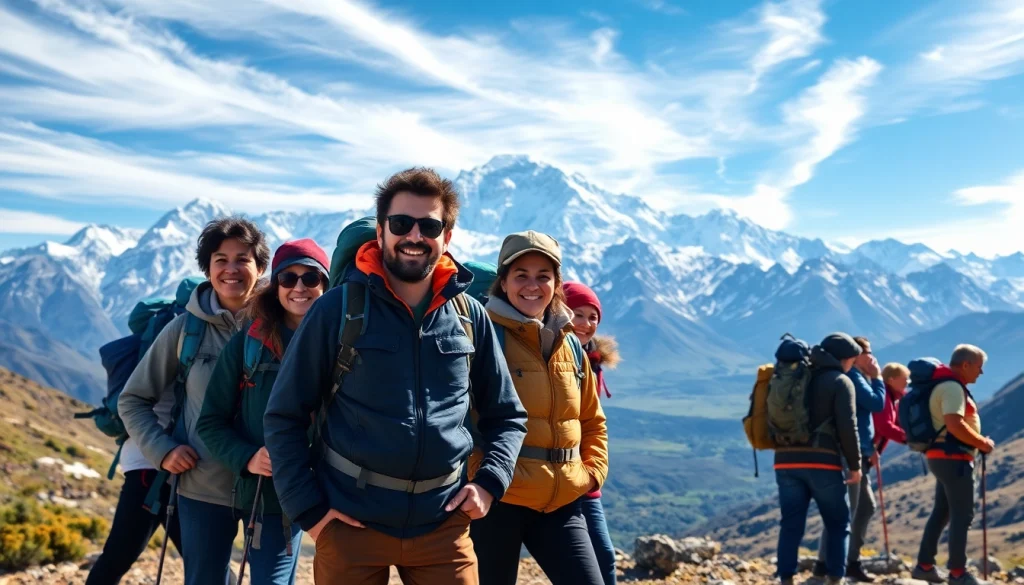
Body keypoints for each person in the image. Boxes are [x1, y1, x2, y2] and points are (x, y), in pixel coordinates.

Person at [263, 167, 528, 585]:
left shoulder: (468, 315)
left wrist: (490, 484)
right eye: (401, 223)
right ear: (382, 231)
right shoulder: (337, 309)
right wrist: (310, 513)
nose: (415, 236)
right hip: (350, 525)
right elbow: (283, 416)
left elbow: (507, 415)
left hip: (445, 526)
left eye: (429, 225)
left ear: (447, 237)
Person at [119, 217, 270, 585]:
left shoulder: (281, 324)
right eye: (220, 259)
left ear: (261, 267)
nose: (231, 269)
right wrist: (162, 450)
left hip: (269, 487)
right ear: (207, 269)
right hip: (201, 485)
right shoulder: (185, 329)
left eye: (242, 259)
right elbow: (133, 399)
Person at [469, 231, 609, 585]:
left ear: (556, 283)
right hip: (498, 500)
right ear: (503, 282)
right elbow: (459, 419)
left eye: (543, 276)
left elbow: (593, 420)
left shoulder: (570, 344)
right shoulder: (483, 336)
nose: (533, 286)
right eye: (521, 275)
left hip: (563, 501)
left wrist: (590, 473)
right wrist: (479, 477)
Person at [195, 239, 330, 585]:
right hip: (252, 491)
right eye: (288, 278)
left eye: (311, 278)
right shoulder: (248, 343)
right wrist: (248, 457)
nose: (299, 287)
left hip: (302, 496)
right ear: (275, 285)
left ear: (326, 285)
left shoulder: (341, 344)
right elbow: (211, 422)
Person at [775, 333, 863, 585]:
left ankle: (786, 579)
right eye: (852, 360)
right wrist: (855, 466)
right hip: (822, 462)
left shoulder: (795, 377)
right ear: (844, 359)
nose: (852, 365)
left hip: (784, 460)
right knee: (837, 522)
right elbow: (848, 427)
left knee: (791, 523)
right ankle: (835, 579)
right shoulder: (840, 382)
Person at [912, 345, 994, 585]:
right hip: (954, 458)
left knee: (943, 511)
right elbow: (954, 424)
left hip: (942, 457)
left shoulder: (946, 386)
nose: (981, 373)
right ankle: (958, 572)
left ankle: (924, 565)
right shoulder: (952, 388)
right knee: (962, 514)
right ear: (966, 364)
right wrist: (983, 443)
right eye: (979, 367)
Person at [815, 336, 885, 582]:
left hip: (860, 452)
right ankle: (832, 565)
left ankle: (844, 561)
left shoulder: (855, 377)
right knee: (847, 511)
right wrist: (877, 378)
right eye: (868, 353)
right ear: (855, 355)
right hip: (849, 455)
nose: (872, 358)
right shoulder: (854, 378)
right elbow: (877, 404)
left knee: (863, 507)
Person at [564, 281, 620, 585]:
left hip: (582, 478)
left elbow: (591, 424)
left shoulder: (592, 363)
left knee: (603, 557)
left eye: (593, 316)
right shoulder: (550, 356)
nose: (586, 324)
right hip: (549, 474)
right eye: (578, 314)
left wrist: (594, 472)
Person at [873, 363, 910, 455]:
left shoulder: (893, 398)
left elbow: (898, 422)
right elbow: (884, 425)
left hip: (870, 449)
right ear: (891, 380)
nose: (907, 382)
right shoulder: (884, 397)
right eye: (905, 378)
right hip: (865, 449)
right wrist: (908, 437)